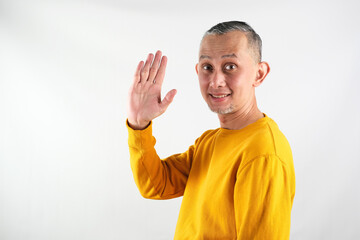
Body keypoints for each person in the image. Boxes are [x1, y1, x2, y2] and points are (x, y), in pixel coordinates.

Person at [127, 21, 295, 240]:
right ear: (198, 71)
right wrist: (139, 124)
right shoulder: (210, 141)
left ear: (259, 73)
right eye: (208, 68)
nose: (216, 81)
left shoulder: (264, 154)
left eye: (230, 66)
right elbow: (156, 185)